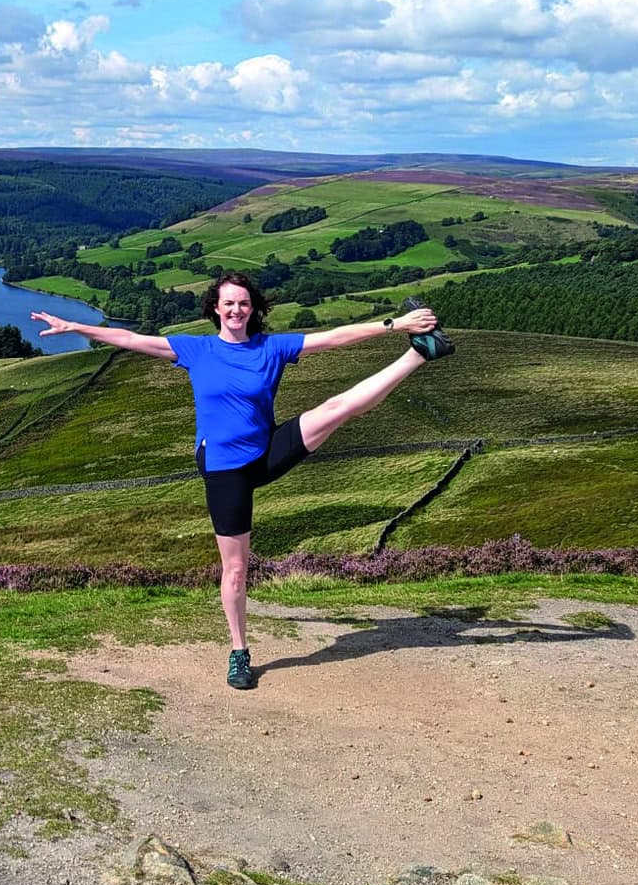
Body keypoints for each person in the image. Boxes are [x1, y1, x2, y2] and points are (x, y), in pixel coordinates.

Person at [32, 274, 452, 690]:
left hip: (265, 452)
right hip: (223, 469)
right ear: (215, 308)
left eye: (244, 304)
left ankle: (419, 354)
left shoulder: (271, 347)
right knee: (235, 570)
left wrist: (396, 325)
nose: (236, 310)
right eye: (229, 303)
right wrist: (75, 326)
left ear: (254, 309)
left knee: (337, 408)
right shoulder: (195, 349)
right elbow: (129, 339)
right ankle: (239, 652)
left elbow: (334, 338)